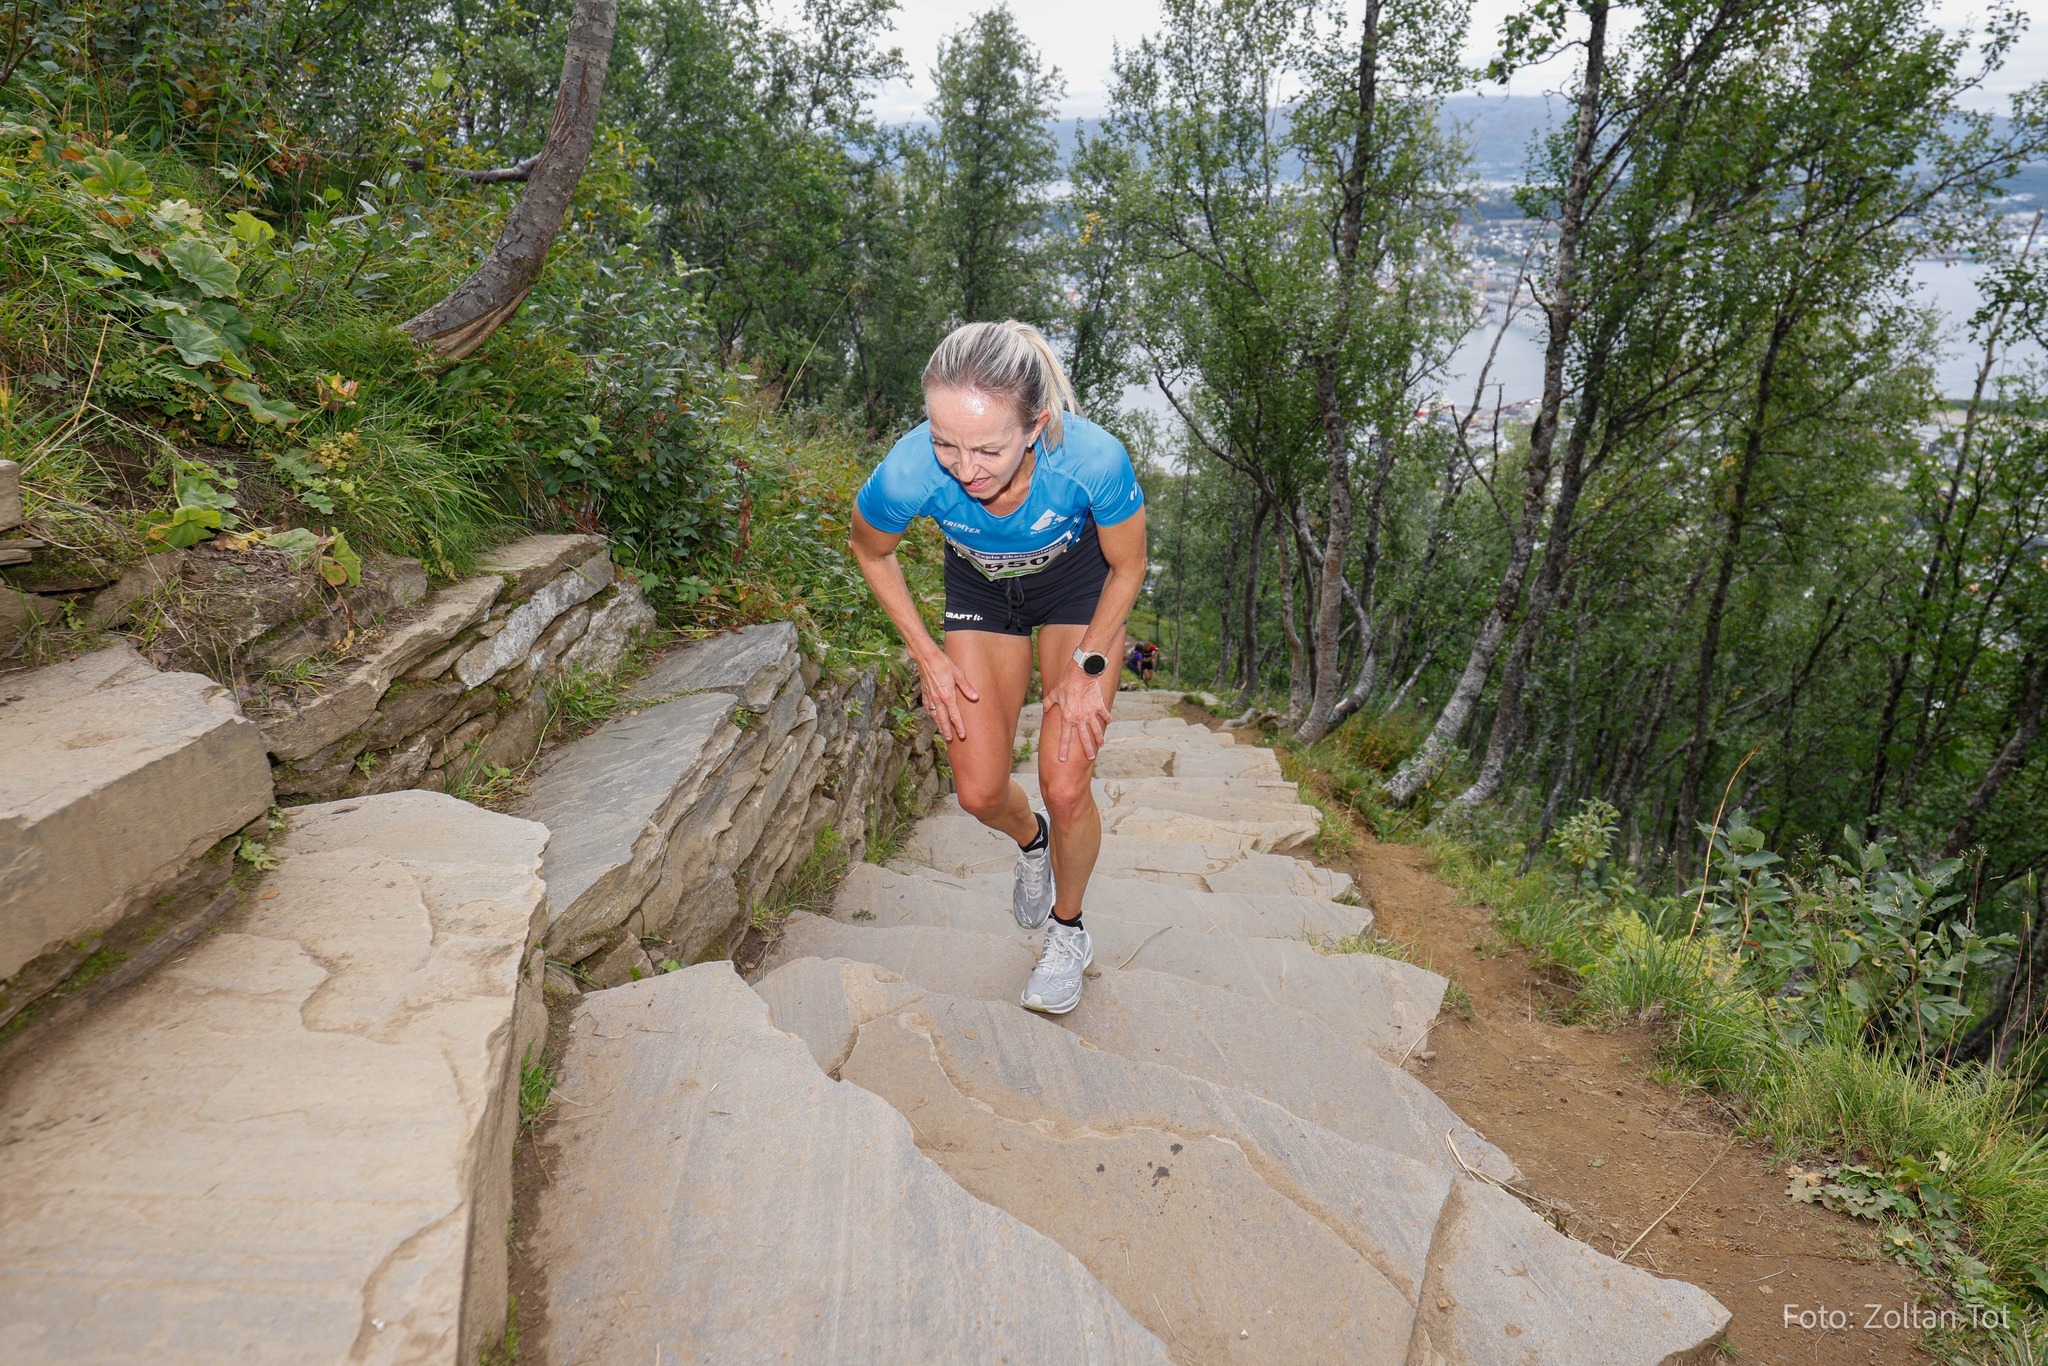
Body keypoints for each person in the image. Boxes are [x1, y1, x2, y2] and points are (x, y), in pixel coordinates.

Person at [849, 320, 1147, 1015]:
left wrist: (1089, 663)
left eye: (988, 448)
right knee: (980, 793)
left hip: (1077, 586)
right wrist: (927, 655)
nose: (963, 467)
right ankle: (1031, 841)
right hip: (981, 590)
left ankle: (1068, 933)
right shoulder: (909, 470)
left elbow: (1129, 566)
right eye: (944, 441)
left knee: (1066, 779)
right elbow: (871, 550)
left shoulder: (1092, 460)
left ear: (1037, 426)